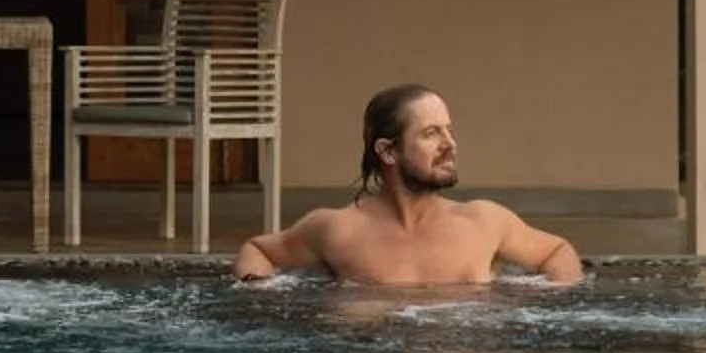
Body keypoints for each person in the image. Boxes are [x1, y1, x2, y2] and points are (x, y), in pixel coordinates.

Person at [232, 84, 584, 285]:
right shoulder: (336, 229)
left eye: (449, 130)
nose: (450, 144)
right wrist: (260, 295)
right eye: (432, 133)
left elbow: (558, 252)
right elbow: (258, 250)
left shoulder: (484, 221)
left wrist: (551, 304)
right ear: (388, 151)